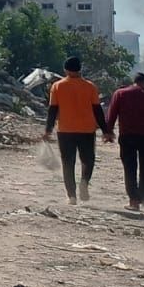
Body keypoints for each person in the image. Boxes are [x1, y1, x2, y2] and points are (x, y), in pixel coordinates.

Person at [45, 56, 111, 204]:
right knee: (88, 160)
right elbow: (97, 110)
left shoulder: (57, 86)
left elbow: (53, 109)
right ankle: (85, 182)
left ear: (65, 70)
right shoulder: (90, 86)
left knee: (68, 162)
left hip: (65, 130)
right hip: (87, 129)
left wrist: (48, 129)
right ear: (80, 69)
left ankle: (71, 196)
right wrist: (106, 130)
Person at [105, 72, 144, 211]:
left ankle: (134, 200)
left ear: (134, 81)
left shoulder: (120, 93)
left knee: (130, 168)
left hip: (128, 136)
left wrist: (108, 132)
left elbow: (112, 113)